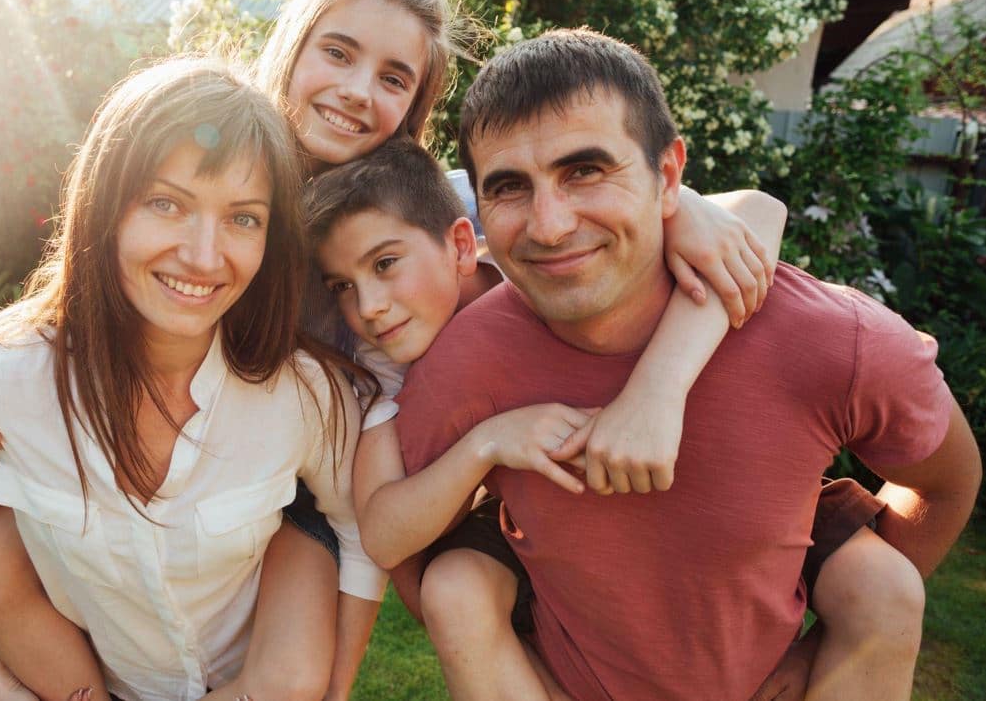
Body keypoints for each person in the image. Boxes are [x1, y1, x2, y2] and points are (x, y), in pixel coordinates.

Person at [0, 0, 779, 699]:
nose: (358, 90)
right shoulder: (209, 165)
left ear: (412, 109)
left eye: (394, 77)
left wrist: (692, 214)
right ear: (290, 49)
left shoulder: (403, 203)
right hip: (240, 477)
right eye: (338, 52)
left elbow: (757, 211)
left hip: (331, 484)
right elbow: (106, 270)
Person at [389, 28, 981, 700]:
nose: (548, 224)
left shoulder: (827, 337)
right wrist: (515, 671)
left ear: (668, 175)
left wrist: (830, 651)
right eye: (508, 187)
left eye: (584, 170)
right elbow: (394, 535)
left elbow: (946, 480)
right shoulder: (465, 360)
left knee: (883, 582)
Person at [306, 138, 938, 700]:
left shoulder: (536, 253)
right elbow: (386, 535)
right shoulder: (382, 365)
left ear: (464, 245)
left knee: (881, 582)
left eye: (385, 265)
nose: (369, 306)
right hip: (545, 507)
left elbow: (758, 210)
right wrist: (489, 443)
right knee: (460, 584)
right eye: (342, 286)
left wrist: (656, 386)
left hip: (727, 468)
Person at [0, 57, 382, 701]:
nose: (204, 257)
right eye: (166, 203)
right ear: (105, 209)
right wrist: (6, 675)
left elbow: (356, 532)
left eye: (243, 218)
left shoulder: (303, 396)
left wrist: (334, 690)